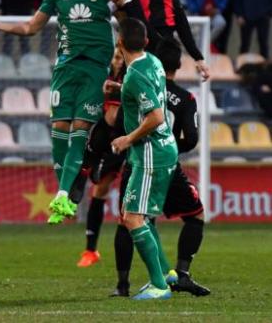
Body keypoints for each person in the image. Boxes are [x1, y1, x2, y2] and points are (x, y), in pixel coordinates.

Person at [0, 0, 128, 224]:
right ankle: (66, 192)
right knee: (59, 128)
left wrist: (122, 0)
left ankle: (62, 195)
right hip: (64, 69)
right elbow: (30, 27)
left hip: (95, 70)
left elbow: (124, 9)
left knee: (80, 127)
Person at [111, 38, 209, 298]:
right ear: (178, 63)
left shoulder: (139, 80)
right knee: (195, 215)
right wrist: (170, 147)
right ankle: (179, 272)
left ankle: (128, 284)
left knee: (130, 218)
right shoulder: (186, 98)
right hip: (168, 161)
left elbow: (123, 122)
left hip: (143, 157)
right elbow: (192, 138)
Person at [110, 18, 178, 301]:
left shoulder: (134, 75)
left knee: (133, 217)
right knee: (140, 215)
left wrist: (128, 138)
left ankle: (158, 286)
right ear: (146, 42)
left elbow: (156, 116)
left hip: (150, 152)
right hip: (162, 148)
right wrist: (119, 91)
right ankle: (167, 274)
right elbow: (148, 98)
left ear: (120, 43)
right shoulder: (153, 61)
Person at [75, 49, 127, 268]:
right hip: (104, 133)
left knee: (102, 188)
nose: (117, 61)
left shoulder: (131, 76)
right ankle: (90, 249)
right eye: (114, 57)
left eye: (120, 58)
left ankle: (93, 249)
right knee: (99, 188)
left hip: (125, 136)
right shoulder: (103, 76)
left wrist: (118, 89)